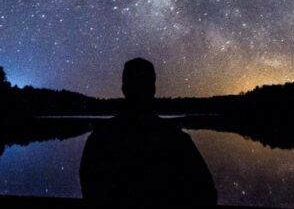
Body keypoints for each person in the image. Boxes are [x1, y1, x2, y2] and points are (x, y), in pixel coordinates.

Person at [79, 58, 217, 207]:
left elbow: (89, 187)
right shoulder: (177, 140)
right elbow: (207, 193)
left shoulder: (99, 139)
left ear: (124, 88)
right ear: (153, 89)